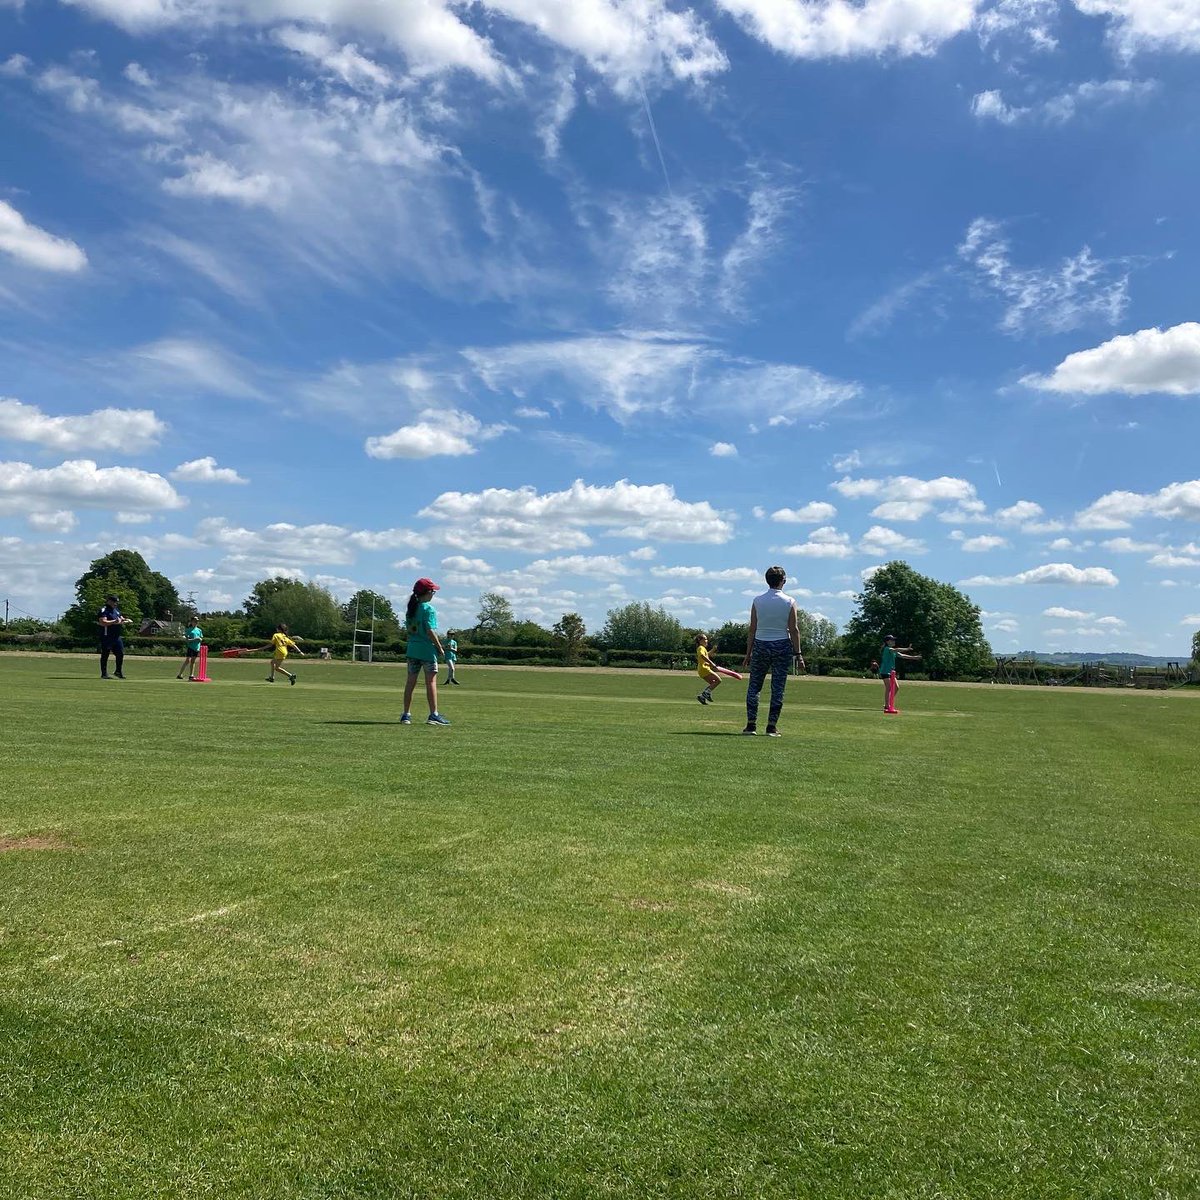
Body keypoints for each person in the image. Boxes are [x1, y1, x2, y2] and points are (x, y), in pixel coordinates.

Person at [741, 566, 803, 737]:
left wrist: (748, 653)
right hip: (782, 645)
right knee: (778, 687)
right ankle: (771, 727)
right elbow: (794, 629)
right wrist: (798, 654)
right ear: (783, 580)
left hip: (760, 644)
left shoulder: (757, 601)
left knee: (754, 686)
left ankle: (751, 725)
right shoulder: (790, 601)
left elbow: (752, 629)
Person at [402, 578, 450, 726]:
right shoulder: (429, 609)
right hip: (427, 651)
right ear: (427, 592)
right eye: (432, 591)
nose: (433, 594)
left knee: (410, 682)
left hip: (412, 650)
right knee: (431, 682)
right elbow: (430, 630)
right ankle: (433, 714)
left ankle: (406, 715)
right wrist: (439, 647)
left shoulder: (411, 609)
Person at [879, 634, 921, 714]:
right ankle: (887, 705)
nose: (894, 641)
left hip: (891, 672)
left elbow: (902, 655)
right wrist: (907, 649)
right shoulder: (887, 649)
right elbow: (896, 649)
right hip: (885, 671)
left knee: (896, 687)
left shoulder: (893, 651)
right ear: (887, 642)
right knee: (888, 687)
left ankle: (889, 703)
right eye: (892, 640)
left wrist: (914, 657)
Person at [98, 593, 131, 680]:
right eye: (114, 602)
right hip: (107, 635)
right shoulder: (104, 610)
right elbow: (102, 622)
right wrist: (114, 621)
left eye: (116, 602)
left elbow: (120, 619)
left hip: (116, 636)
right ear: (109, 601)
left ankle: (118, 671)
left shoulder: (116, 610)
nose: (116, 604)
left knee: (120, 653)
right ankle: (104, 673)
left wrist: (125, 620)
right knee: (105, 654)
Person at [694, 632, 723, 705]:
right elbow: (702, 656)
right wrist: (712, 663)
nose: (707, 641)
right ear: (700, 640)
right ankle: (706, 693)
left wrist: (713, 649)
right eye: (705, 639)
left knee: (713, 683)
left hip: (702, 670)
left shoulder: (702, 648)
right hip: (704, 668)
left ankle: (702, 697)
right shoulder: (700, 648)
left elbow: (707, 655)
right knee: (718, 680)